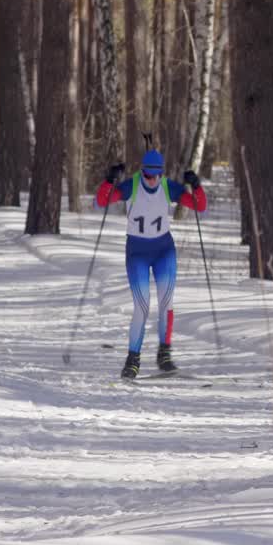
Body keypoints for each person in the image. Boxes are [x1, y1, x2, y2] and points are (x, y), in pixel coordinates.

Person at [95, 149, 207, 378]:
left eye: (156, 175)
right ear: (143, 172)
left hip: (164, 251)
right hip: (137, 252)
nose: (152, 180)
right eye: (148, 175)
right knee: (142, 306)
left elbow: (200, 206)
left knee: (166, 302)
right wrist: (109, 180)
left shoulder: (167, 186)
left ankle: (164, 354)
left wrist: (196, 185)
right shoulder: (132, 186)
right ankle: (132, 359)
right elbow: (101, 201)